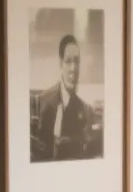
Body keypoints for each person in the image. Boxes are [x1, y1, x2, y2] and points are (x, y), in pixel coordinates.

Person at [31, 34, 94, 162]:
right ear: (60, 64)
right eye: (68, 61)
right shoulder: (40, 103)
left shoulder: (86, 111)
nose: (73, 68)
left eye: (76, 61)